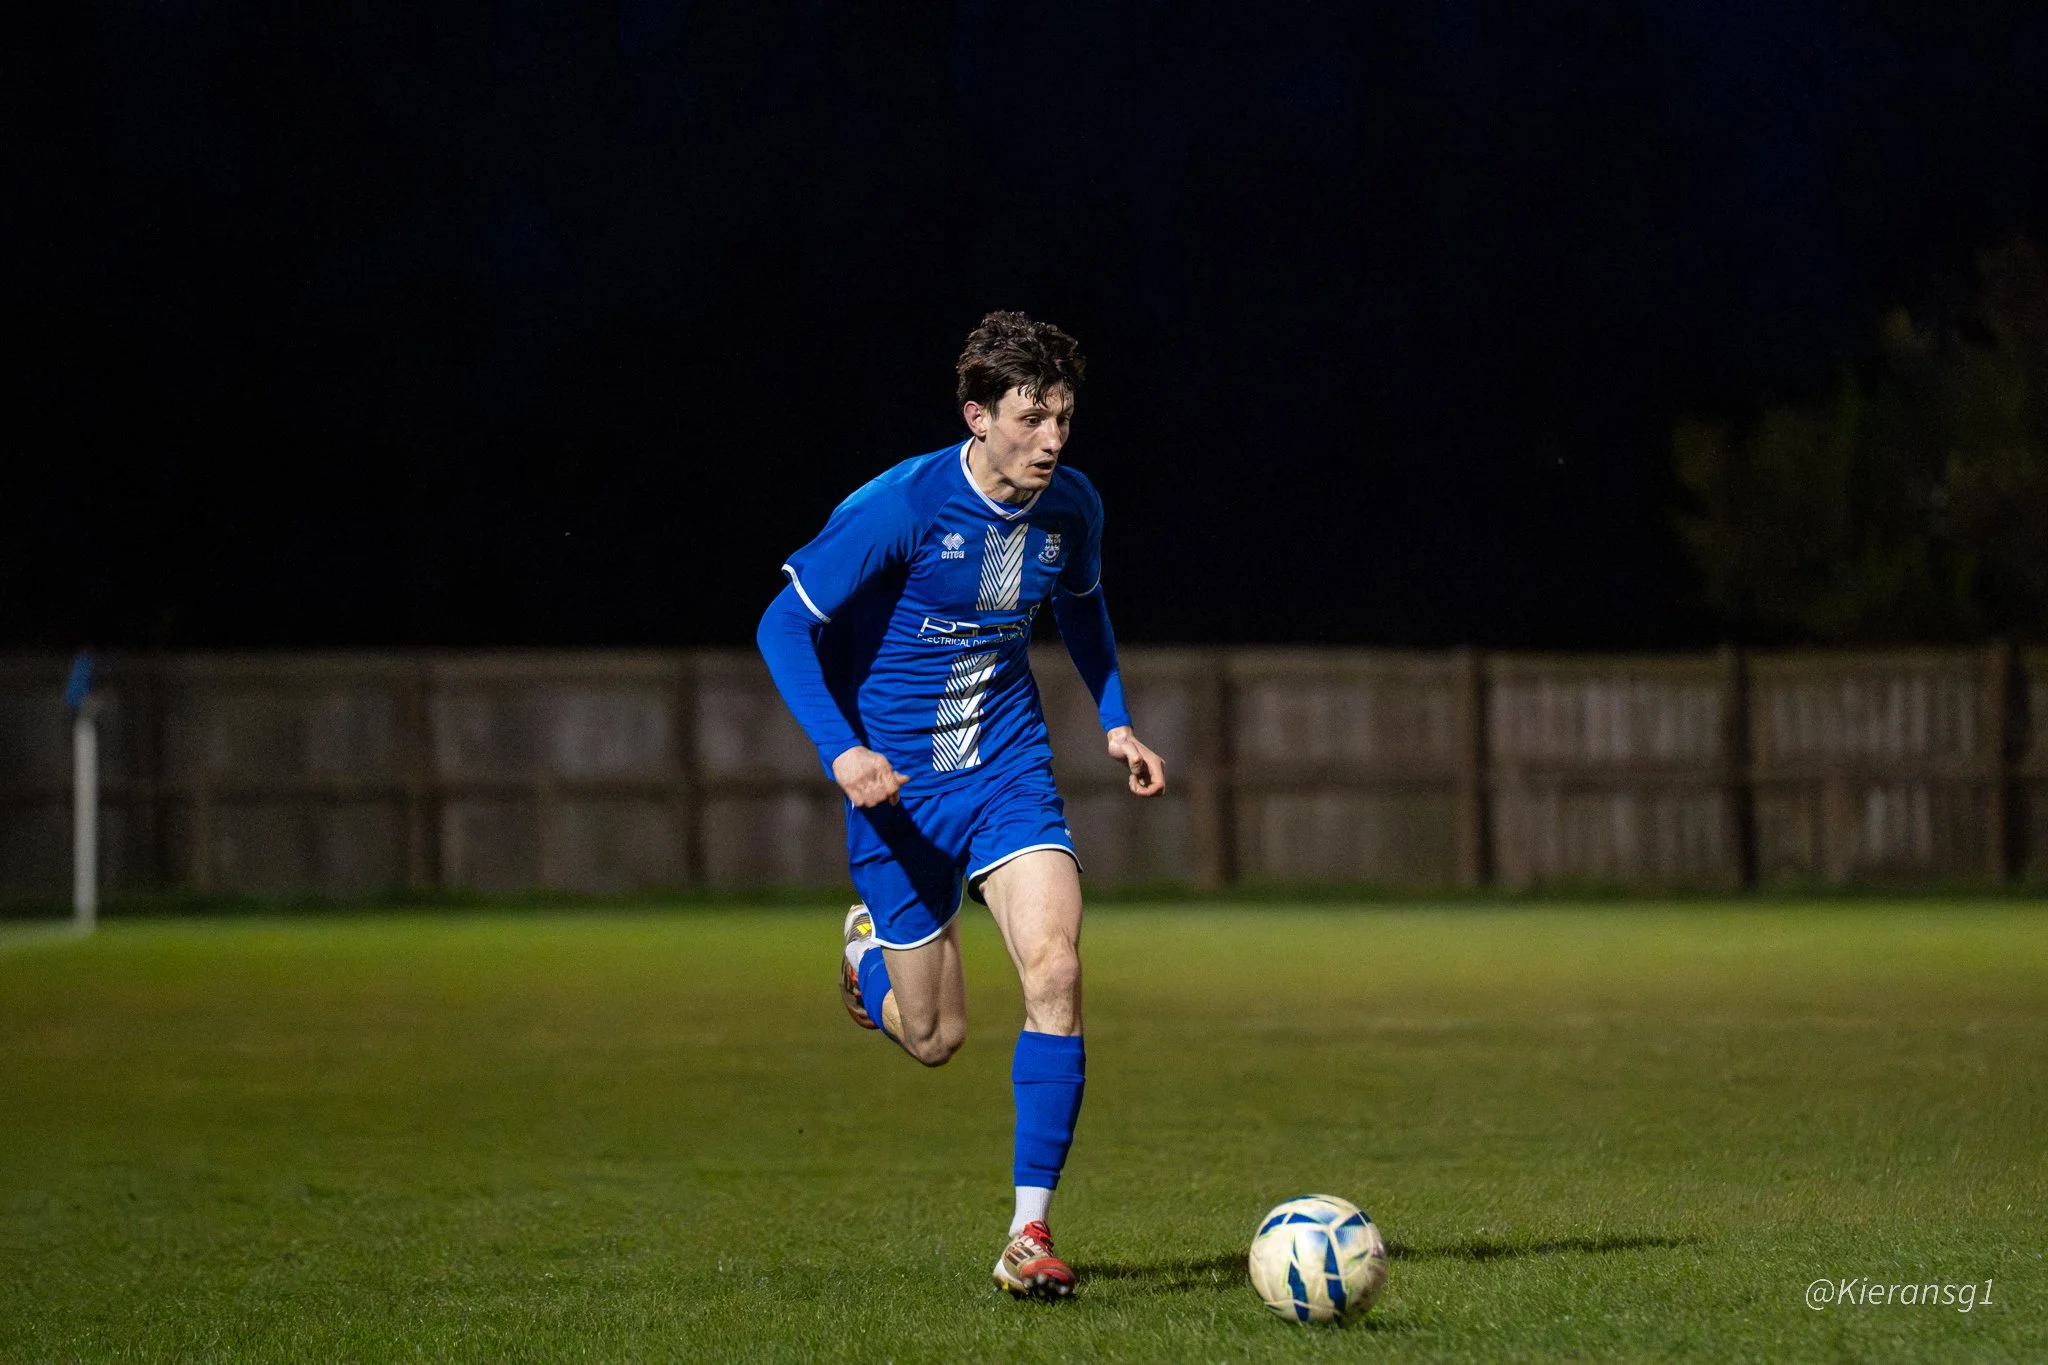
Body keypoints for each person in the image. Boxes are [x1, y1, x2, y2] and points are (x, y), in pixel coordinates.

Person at [755, 310, 1165, 1299]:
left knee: (1056, 965)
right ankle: (867, 954)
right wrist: (842, 750)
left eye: (1064, 416)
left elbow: (1081, 606)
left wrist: (1113, 718)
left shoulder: (1071, 507)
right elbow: (780, 627)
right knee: (935, 1040)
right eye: (1031, 418)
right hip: (895, 796)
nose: (1053, 439)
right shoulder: (901, 507)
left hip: (1007, 775)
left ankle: (1027, 1235)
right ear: (977, 416)